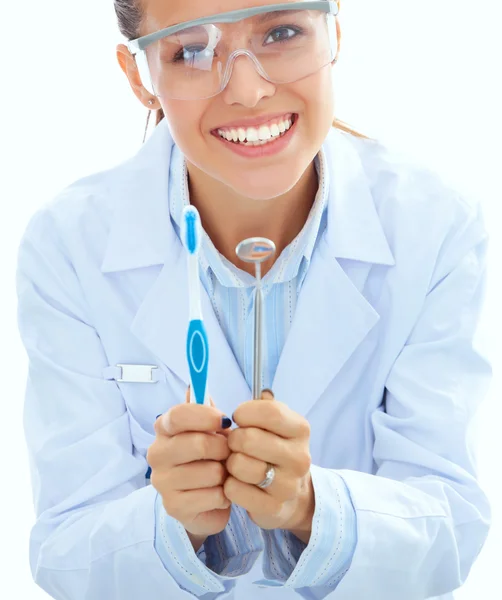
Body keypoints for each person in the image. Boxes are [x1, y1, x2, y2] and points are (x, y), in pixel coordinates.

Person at [15, 1, 492, 599]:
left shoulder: (434, 222)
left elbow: (450, 528)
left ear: (334, 30)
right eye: (190, 51)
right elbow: (65, 550)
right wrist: (173, 530)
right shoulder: (69, 243)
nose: (247, 89)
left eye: (283, 32)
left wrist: (313, 507)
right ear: (139, 77)